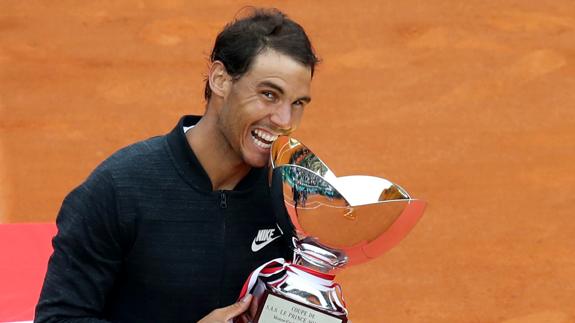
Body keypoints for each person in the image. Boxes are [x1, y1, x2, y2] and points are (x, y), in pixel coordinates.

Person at [35, 7, 319, 323]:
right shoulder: (119, 190)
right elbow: (58, 318)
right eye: (268, 94)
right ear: (221, 80)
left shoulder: (291, 202)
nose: (284, 121)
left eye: (297, 104)